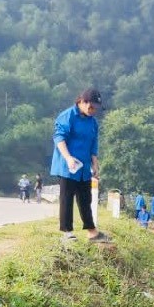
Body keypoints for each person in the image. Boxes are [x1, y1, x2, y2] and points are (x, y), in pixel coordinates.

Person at [51, 88, 108, 242]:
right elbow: (59, 138)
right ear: (82, 102)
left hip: (83, 168)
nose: (93, 111)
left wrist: (95, 165)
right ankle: (67, 232)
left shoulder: (92, 122)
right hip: (68, 166)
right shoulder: (67, 116)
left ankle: (92, 232)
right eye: (91, 107)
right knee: (67, 198)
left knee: (85, 198)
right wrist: (68, 157)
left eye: (95, 109)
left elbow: (93, 144)